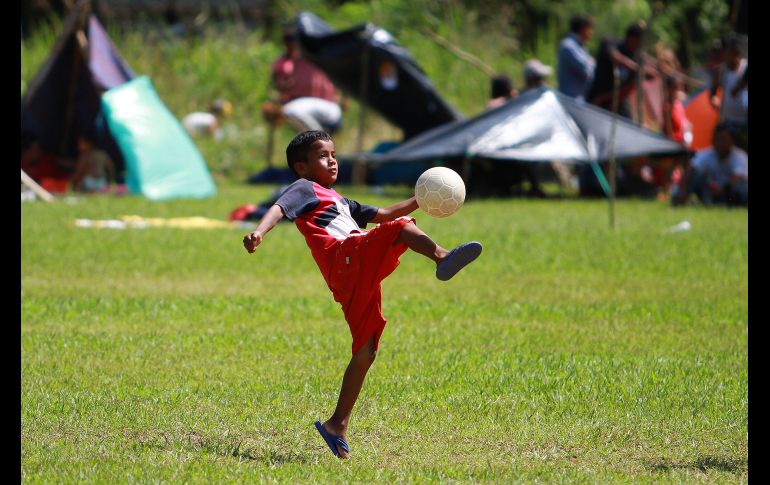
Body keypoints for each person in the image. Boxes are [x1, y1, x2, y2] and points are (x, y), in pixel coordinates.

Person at [242, 130, 482, 459]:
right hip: (345, 258)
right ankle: (442, 256)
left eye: (334, 154)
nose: (332, 160)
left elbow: (383, 215)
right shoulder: (304, 189)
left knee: (366, 349)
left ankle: (336, 424)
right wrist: (259, 231)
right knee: (399, 229)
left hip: (353, 276)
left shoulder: (341, 201)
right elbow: (279, 208)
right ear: (301, 167)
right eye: (323, 155)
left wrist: (424, 197)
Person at [266, 27, 344, 134]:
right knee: (301, 142)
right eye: (288, 40)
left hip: (329, 110)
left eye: (292, 40)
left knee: (290, 111)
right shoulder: (287, 63)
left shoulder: (322, 57)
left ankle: (319, 139)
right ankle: (318, 142)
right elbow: (280, 89)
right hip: (307, 110)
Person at [587, 21, 656, 118]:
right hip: (597, 97)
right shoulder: (610, 42)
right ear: (632, 38)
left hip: (618, 100)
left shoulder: (637, 57)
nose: (641, 45)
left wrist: (604, 98)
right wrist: (639, 70)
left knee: (628, 126)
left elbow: (630, 87)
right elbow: (616, 57)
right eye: (640, 41)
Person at [671, 124, 747, 207]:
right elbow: (689, 170)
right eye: (717, 139)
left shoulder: (740, 157)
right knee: (696, 177)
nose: (720, 143)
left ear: (731, 141)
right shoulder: (706, 154)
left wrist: (722, 190)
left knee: (742, 186)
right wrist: (682, 190)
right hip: (709, 191)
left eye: (723, 139)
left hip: (729, 193)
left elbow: (737, 178)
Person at [709, 35, 748, 150]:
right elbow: (713, 90)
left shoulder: (745, 68)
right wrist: (713, 99)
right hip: (728, 121)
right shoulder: (722, 70)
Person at [557, 15, 596, 100]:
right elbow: (587, 71)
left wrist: (590, 62)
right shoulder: (568, 46)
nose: (591, 33)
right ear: (583, 29)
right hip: (570, 102)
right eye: (590, 29)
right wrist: (591, 62)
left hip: (579, 101)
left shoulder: (581, 48)